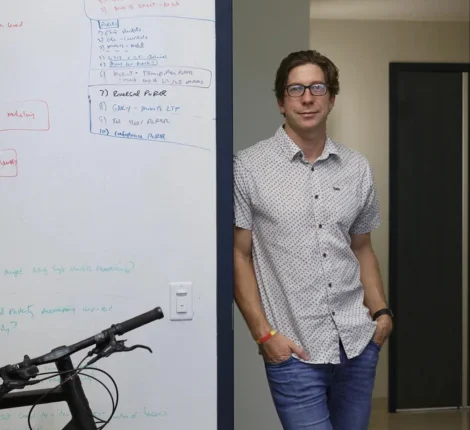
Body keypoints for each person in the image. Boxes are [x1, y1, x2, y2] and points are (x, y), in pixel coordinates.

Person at [233, 49, 393, 430]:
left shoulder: (357, 166)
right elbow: (239, 256)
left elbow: (362, 248)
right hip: (294, 352)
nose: (307, 98)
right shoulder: (248, 166)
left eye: (317, 87)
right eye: (296, 89)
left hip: (357, 343)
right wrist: (264, 335)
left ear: (332, 98)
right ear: (280, 102)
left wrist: (382, 314)